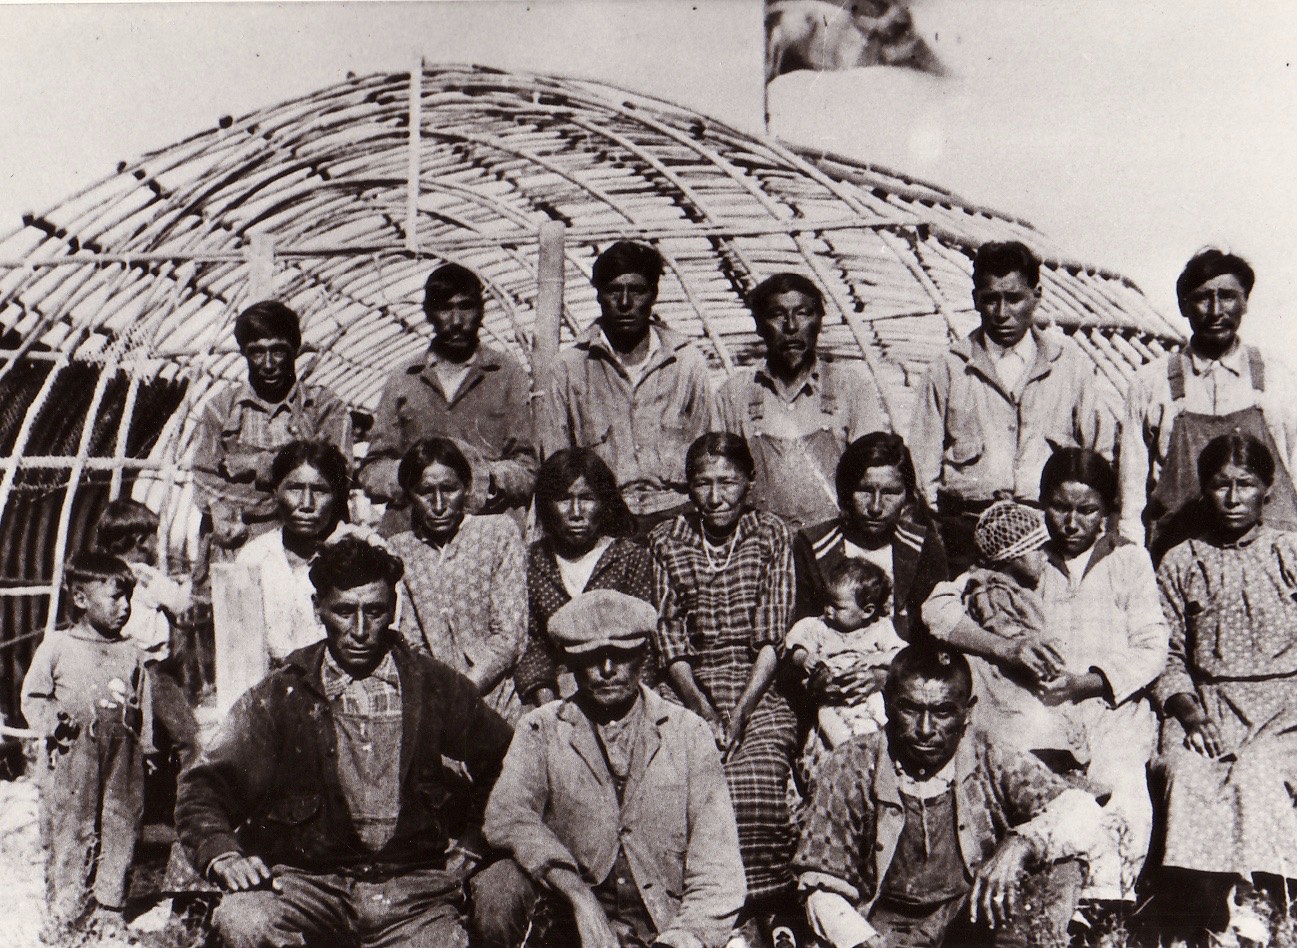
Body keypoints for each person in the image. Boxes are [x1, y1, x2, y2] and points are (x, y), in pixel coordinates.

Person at [175, 534, 513, 948]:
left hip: (413, 890)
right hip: (306, 885)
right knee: (245, 920)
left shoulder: (433, 685)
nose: (359, 631)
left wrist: (475, 841)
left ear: (393, 610)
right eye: (343, 611)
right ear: (318, 609)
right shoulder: (283, 694)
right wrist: (223, 854)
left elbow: (507, 762)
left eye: (374, 612)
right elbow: (205, 786)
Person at [923, 450, 1168, 903]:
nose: (1071, 522)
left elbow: (1153, 648)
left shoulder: (1129, 562)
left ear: (1108, 512)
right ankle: (1027, 904)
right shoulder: (1022, 554)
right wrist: (1005, 647)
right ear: (1040, 504)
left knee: (1122, 796)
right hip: (1035, 713)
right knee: (1029, 799)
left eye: (1087, 510)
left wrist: (1088, 682)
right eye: (1059, 507)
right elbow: (937, 610)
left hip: (1110, 710)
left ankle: (1102, 907)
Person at [475, 590, 747, 948]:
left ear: (643, 656)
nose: (607, 671)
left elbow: (717, 867)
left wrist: (683, 939)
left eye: (620, 656)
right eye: (592, 658)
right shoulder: (541, 728)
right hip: (570, 925)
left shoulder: (687, 733)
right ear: (571, 664)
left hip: (662, 925)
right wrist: (578, 897)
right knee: (498, 885)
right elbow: (507, 816)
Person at [794, 646, 1105, 948]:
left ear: (967, 711)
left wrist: (1021, 842)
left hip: (970, 928)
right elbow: (820, 881)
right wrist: (858, 939)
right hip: (883, 929)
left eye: (942, 712)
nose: (925, 729)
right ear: (887, 703)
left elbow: (1080, 809)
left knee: (1063, 862)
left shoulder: (989, 754)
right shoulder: (853, 763)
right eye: (910, 709)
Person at [649, 433, 799, 933]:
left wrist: (738, 715)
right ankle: (697, 911)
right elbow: (667, 638)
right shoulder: (667, 539)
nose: (715, 497)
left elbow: (771, 639)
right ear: (688, 488)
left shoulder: (771, 535)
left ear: (749, 485)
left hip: (757, 685)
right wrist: (705, 712)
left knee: (753, 781)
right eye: (703, 483)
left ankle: (759, 910)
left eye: (728, 483)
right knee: (682, 781)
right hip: (686, 686)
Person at [1148, 433, 1297, 932]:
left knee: (1256, 775)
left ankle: (1267, 912)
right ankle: (1207, 919)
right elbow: (1165, 655)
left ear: (1267, 491)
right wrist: (1190, 714)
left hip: (1286, 709)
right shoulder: (1181, 561)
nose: (1233, 499)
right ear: (1204, 491)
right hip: (1209, 706)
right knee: (1188, 775)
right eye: (1220, 486)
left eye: (1246, 485)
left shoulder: (1290, 553)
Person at [907, 240, 1112, 576]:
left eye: (1014, 298)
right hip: (967, 536)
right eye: (990, 299)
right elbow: (922, 468)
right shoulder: (948, 369)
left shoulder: (1069, 368)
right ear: (976, 299)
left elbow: (1101, 453)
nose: (1002, 313)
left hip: (1049, 535)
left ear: (1037, 294)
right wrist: (942, 533)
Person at [21, 553, 190, 938]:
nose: (126, 606)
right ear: (81, 599)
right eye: (115, 597)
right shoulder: (57, 646)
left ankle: (110, 904)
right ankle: (67, 907)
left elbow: (142, 703)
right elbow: (33, 695)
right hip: (73, 754)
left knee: (122, 822)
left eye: (129, 596)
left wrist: (147, 749)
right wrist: (52, 725)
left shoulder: (131, 652)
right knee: (73, 826)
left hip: (123, 756)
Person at [1118, 249, 1297, 555]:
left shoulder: (1278, 378)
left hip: (1271, 557)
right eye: (1202, 297)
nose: (1215, 310)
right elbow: (1132, 494)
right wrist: (1133, 558)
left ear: (1245, 302)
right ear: (1184, 306)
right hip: (1180, 556)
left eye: (1227, 296)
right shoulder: (1151, 383)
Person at [551, 241, 714, 533]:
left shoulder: (686, 362)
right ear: (599, 295)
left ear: (653, 294)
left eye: (637, 290)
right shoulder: (569, 367)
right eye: (614, 290)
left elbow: (709, 452)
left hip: (678, 516)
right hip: (603, 521)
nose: (625, 302)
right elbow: (556, 463)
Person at [358, 263, 537, 529]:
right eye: (444, 308)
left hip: (486, 529)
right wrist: (414, 478)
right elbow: (372, 469)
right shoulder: (404, 379)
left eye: (465, 307)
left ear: (481, 310)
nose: (456, 321)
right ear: (429, 314)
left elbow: (529, 467)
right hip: (414, 531)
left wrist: (486, 477)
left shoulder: (507, 375)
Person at [712, 273, 890, 531]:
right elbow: (718, 479)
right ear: (759, 326)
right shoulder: (735, 394)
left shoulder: (851, 387)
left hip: (833, 541)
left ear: (819, 322)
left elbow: (873, 475)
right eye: (777, 315)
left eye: (803, 313)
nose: (792, 327)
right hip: (760, 542)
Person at [386, 437, 527, 723]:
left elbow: (510, 635)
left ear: (466, 487)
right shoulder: (401, 549)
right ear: (410, 495)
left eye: (449, 489)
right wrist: (442, 699)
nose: (438, 504)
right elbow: (411, 640)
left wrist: (461, 693)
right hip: (435, 706)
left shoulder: (498, 533)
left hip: (499, 701)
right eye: (425, 492)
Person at [192, 299, 352, 550]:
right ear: (244, 352)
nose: (268, 364)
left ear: (295, 350)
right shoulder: (221, 408)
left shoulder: (324, 406)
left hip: (311, 545)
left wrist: (255, 464)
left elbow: (339, 476)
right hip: (239, 544)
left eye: (278, 350)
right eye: (257, 351)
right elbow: (204, 480)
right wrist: (286, 486)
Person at [513, 448, 654, 709]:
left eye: (587, 498)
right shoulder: (531, 562)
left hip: (620, 688)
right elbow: (532, 643)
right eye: (564, 499)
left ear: (604, 503)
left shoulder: (629, 558)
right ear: (546, 505)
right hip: (556, 692)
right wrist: (549, 703)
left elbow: (644, 646)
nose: (576, 512)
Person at [794, 432, 947, 640]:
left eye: (890, 493)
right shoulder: (813, 544)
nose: (875, 507)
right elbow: (802, 631)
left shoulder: (922, 545)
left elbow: (935, 627)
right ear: (846, 492)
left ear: (906, 496)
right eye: (864, 490)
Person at [234, 440, 351, 664]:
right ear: (276, 491)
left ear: (337, 496)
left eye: (320, 490)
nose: (306, 504)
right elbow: (241, 652)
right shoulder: (254, 558)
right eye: (295, 489)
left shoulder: (360, 554)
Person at [787, 558, 904, 753]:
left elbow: (900, 653)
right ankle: (846, 753)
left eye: (837, 607)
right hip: (831, 699)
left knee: (879, 725)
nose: (828, 610)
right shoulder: (819, 627)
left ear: (866, 612)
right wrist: (804, 659)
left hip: (869, 695)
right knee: (833, 727)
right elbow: (795, 647)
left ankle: (872, 752)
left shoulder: (880, 629)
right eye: (827, 602)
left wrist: (877, 659)